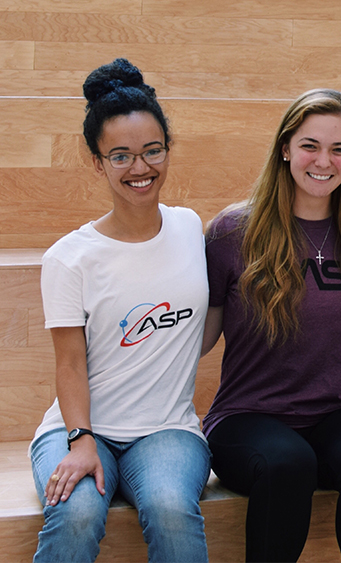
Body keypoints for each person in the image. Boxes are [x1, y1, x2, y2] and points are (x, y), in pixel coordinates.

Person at [202, 88, 341, 562]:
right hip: (247, 418)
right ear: (286, 148)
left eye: (339, 149)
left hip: (334, 412)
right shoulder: (232, 232)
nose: (323, 161)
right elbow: (197, 337)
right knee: (289, 465)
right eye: (310, 144)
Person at [30, 58, 211, 562]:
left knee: (172, 507)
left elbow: (203, 323)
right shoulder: (69, 258)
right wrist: (80, 440)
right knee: (78, 511)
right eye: (121, 156)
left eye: (153, 151)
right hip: (81, 428)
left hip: (168, 430)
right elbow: (68, 364)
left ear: (168, 151)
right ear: (97, 162)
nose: (141, 168)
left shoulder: (188, 228)